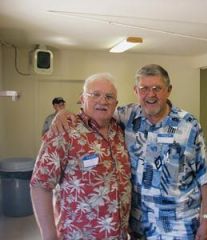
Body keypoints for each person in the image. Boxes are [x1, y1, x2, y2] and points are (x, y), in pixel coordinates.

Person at [52, 64, 207, 240]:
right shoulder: (127, 116)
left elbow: (205, 176)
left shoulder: (189, 125)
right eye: (144, 88)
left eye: (157, 88)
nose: (150, 94)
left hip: (180, 226)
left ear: (168, 90)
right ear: (135, 91)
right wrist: (64, 114)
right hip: (139, 226)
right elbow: (96, 112)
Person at [30, 73, 131, 240]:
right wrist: (49, 236)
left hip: (119, 235)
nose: (103, 101)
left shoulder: (120, 131)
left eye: (109, 96)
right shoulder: (64, 131)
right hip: (77, 235)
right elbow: (40, 185)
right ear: (82, 98)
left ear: (116, 104)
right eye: (95, 94)